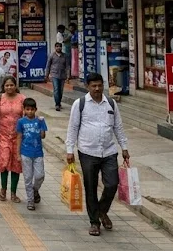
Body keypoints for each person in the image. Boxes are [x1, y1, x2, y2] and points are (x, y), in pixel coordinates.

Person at [66, 72, 131, 237]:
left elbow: (118, 126)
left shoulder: (111, 103)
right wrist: (69, 150)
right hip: (87, 152)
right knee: (91, 187)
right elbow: (73, 127)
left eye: (99, 85)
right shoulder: (79, 104)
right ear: (87, 86)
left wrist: (124, 147)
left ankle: (102, 211)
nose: (97, 88)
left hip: (109, 151)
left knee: (112, 184)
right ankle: (94, 222)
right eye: (93, 86)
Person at [0, 75, 24, 203]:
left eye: (11, 85)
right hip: (2, 135)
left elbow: (26, 115)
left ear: (15, 86)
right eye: (7, 85)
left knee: (16, 164)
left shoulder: (22, 99)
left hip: (18, 137)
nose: (9, 87)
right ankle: (3, 189)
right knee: (4, 162)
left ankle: (13, 192)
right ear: (3, 87)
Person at [15, 97, 48, 211]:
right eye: (27, 109)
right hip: (25, 153)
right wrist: (18, 153)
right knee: (28, 177)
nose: (30, 112)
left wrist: (41, 124)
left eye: (32, 109)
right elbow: (19, 137)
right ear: (24, 109)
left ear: (35, 109)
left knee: (40, 176)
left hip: (38, 153)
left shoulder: (39, 120)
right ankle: (30, 200)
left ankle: (35, 189)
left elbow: (43, 136)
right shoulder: (21, 122)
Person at [46, 41, 69, 111]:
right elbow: (48, 65)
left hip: (62, 75)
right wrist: (46, 75)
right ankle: (57, 104)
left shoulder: (65, 56)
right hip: (54, 74)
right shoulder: (51, 55)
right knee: (56, 90)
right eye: (57, 46)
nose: (58, 48)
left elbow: (67, 66)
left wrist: (68, 75)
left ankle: (59, 102)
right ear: (55, 47)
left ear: (61, 47)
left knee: (60, 90)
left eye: (60, 46)